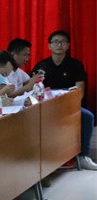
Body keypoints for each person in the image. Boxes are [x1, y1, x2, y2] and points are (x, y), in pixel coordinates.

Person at [32, 30, 96, 170]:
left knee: (88, 116)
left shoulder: (76, 65)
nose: (59, 45)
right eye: (55, 42)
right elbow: (34, 89)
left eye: (62, 42)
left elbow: (80, 91)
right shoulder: (41, 66)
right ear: (49, 46)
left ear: (68, 45)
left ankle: (82, 156)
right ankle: (40, 159)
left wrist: (68, 105)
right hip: (46, 107)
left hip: (69, 106)